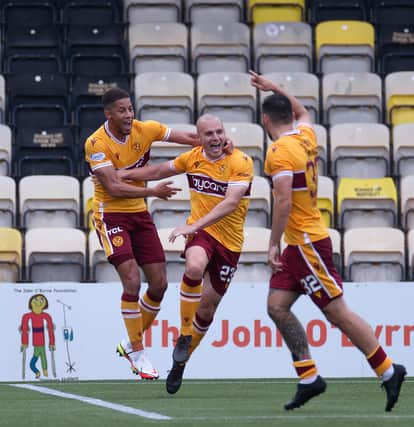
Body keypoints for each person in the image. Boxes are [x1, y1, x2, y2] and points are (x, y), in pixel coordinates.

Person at [250, 70, 407, 412]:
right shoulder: (307, 135)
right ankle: (309, 378)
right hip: (300, 244)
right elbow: (304, 112)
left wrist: (272, 244)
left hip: (305, 243)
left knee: (337, 313)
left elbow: (284, 202)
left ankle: (387, 369)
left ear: (264, 120)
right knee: (276, 306)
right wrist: (274, 87)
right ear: (289, 116)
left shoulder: (278, 152)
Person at [117, 114, 254, 394]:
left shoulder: (241, 162)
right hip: (203, 235)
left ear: (224, 133)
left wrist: (193, 224)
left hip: (230, 244)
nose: (215, 138)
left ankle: (181, 363)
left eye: (219, 132)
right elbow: (157, 172)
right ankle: (185, 333)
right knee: (193, 268)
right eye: (209, 134)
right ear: (199, 137)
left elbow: (230, 203)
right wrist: (125, 174)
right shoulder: (192, 158)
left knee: (207, 309)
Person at [84, 87, 200, 380]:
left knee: (160, 284)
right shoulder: (96, 143)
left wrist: (214, 143)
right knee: (132, 280)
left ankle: (129, 342)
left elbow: (186, 138)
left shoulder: (145, 130)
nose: (128, 115)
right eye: (122, 110)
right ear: (108, 113)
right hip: (110, 213)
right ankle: (137, 351)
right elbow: (112, 187)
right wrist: (153, 191)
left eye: (130, 109)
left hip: (138, 213)